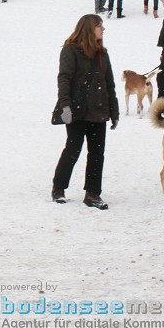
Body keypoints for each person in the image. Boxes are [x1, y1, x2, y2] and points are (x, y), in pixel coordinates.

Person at [51, 14, 119, 209]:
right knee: (73, 149)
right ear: (89, 28)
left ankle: (93, 194)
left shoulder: (102, 54)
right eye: (99, 26)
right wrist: (65, 106)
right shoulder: (70, 51)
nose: (103, 29)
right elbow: (64, 79)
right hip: (77, 110)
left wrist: (114, 111)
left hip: (99, 110)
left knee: (97, 153)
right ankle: (58, 187)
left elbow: (109, 84)